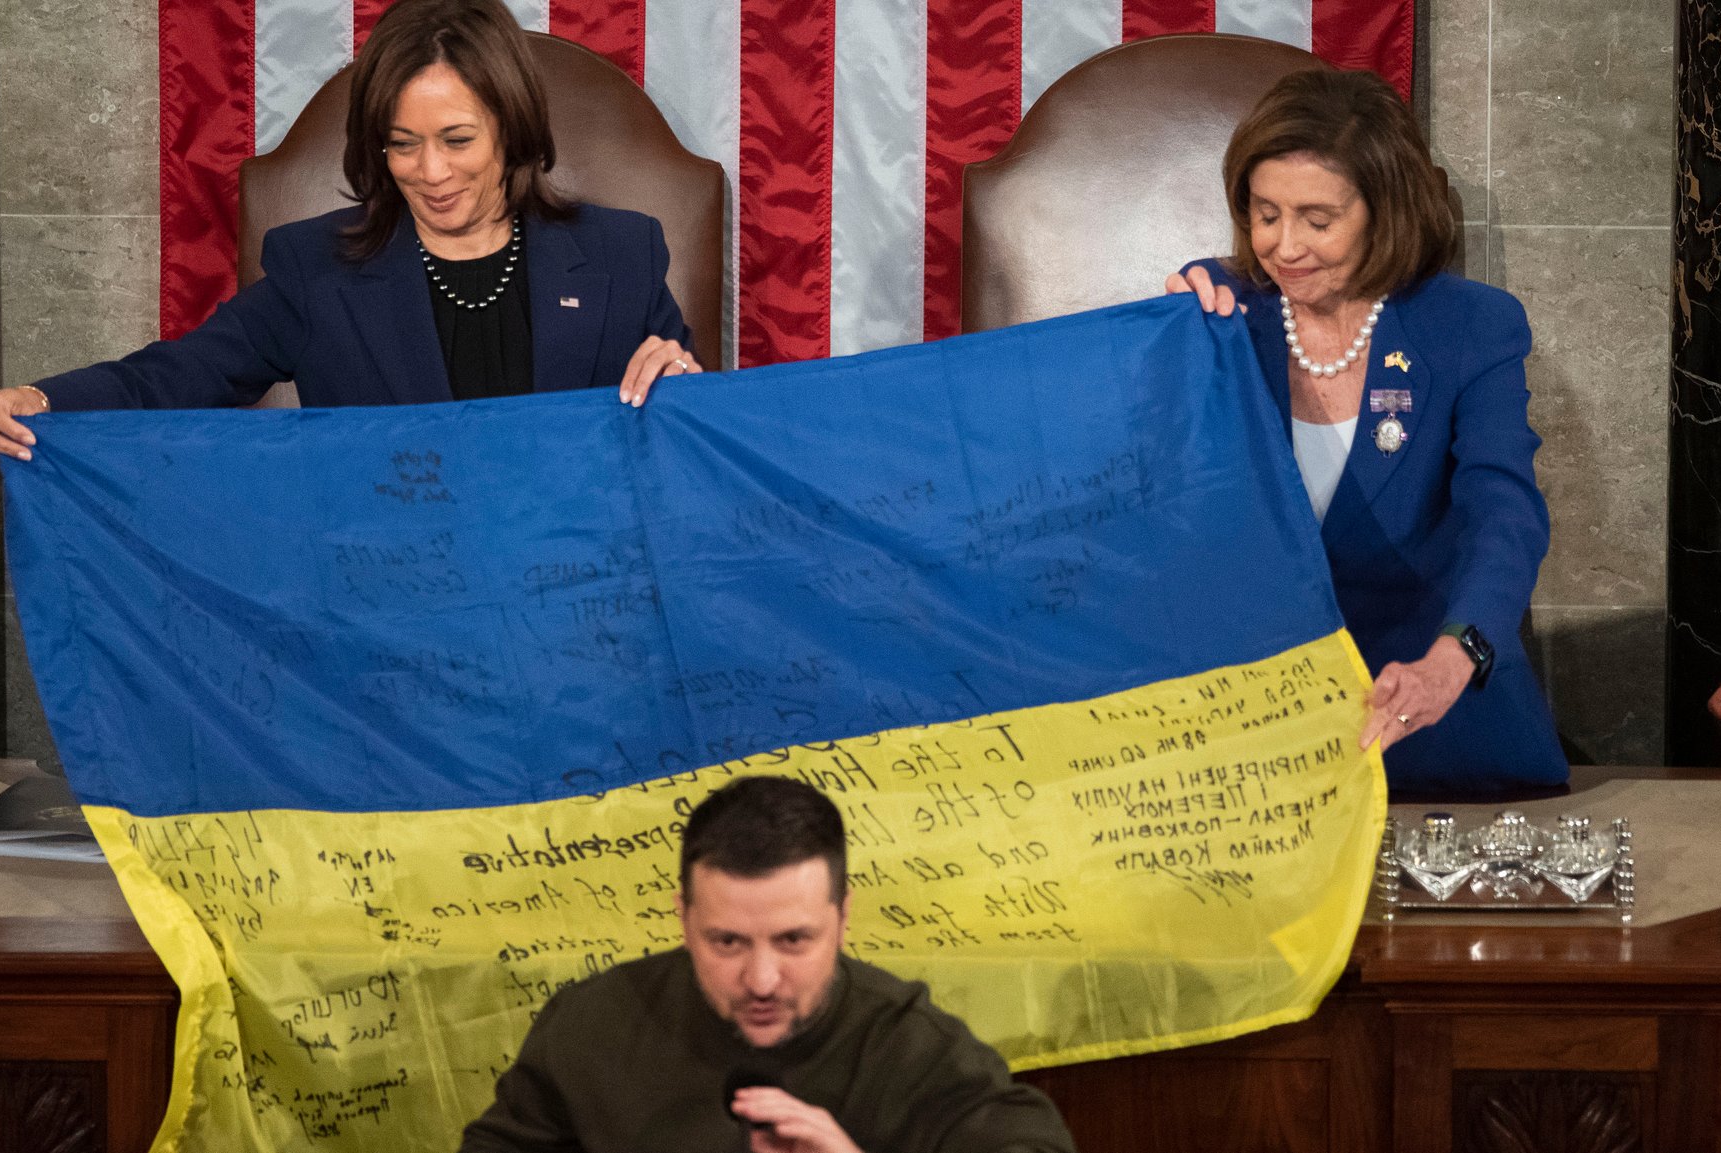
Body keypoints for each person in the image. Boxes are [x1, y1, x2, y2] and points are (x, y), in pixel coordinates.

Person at [0, 0, 698, 465]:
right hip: (387, 623)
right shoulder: (315, 269)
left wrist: (688, 391)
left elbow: (689, 441)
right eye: (401, 142)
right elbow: (179, 377)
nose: (429, 171)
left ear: (511, 130)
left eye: (456, 138)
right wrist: (45, 401)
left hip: (576, 611)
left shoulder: (621, 255)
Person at [1168, 68, 1567, 794]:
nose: (1285, 246)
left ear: (1386, 211)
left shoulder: (1472, 326)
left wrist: (1458, 653)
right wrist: (1163, 343)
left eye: (1318, 221)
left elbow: (1504, 514)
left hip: (1431, 724)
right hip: (1251, 745)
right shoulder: (1214, 314)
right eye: (1265, 214)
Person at [456, 776, 1076, 1153]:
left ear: (842, 918)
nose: (761, 980)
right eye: (727, 942)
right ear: (683, 917)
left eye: (793, 941)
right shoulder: (593, 1024)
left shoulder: (908, 1045)